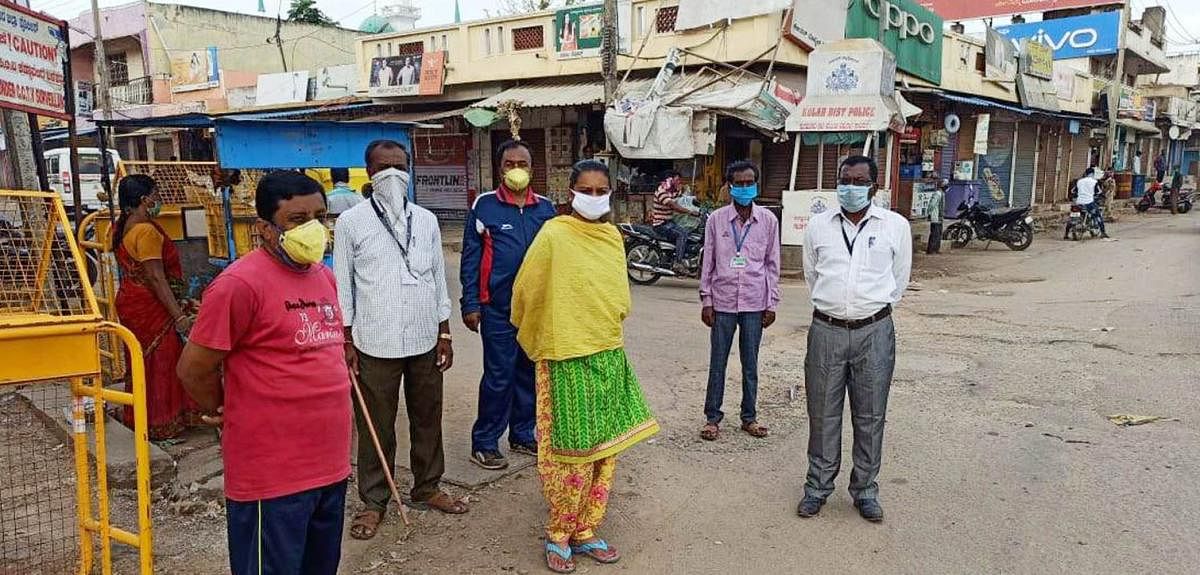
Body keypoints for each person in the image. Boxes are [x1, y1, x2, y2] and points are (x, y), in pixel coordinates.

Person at [176, 171, 350, 575]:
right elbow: (193, 369)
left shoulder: (324, 277)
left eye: (320, 217)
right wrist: (223, 407)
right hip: (271, 475)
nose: (313, 228)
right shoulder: (238, 285)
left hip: (330, 466)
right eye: (296, 219)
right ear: (265, 229)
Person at [510, 160, 659, 573]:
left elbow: (617, 295)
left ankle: (587, 529)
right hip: (564, 354)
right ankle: (559, 530)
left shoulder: (611, 236)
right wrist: (545, 332)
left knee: (603, 449)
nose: (594, 198)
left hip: (607, 350)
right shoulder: (554, 234)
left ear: (610, 193)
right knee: (568, 451)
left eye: (600, 191)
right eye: (586, 190)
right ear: (570, 192)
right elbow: (526, 291)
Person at [335, 139, 468, 541]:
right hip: (374, 339)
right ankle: (374, 500)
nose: (392, 174)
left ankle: (427, 486)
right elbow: (343, 285)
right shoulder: (351, 222)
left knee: (428, 415)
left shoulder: (425, 220)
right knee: (377, 423)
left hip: (425, 334)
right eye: (383, 167)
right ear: (369, 173)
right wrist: (346, 339)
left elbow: (436, 279)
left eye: (399, 166)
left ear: (409, 171)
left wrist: (445, 330)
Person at [798, 155, 911, 523]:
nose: (850, 187)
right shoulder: (818, 226)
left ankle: (865, 490)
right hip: (826, 330)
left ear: (873, 187)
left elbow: (899, 280)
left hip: (874, 331)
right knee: (822, 413)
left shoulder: (895, 226)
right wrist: (837, 308)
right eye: (844, 179)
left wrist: (867, 310)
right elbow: (812, 274)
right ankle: (817, 488)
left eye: (859, 180)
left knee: (870, 415)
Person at [461, 139, 557, 471]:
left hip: (536, 311)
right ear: (500, 168)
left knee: (528, 374)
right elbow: (471, 259)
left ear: (532, 169)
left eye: (523, 164)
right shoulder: (484, 206)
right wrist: (470, 302)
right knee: (498, 377)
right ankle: (485, 442)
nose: (516, 170)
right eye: (509, 164)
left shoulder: (546, 209)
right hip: (497, 310)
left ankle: (522, 433)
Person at [697, 160, 779, 442]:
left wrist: (772, 303)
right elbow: (708, 262)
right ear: (729, 186)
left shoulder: (768, 220)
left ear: (756, 183)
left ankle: (749, 417)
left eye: (749, 182)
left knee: (750, 363)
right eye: (739, 183)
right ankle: (712, 418)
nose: (745, 187)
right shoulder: (716, 220)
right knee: (717, 361)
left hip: (755, 303)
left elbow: (772, 265)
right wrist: (706, 300)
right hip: (722, 302)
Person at [112, 174, 198, 440]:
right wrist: (179, 315)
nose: (158, 199)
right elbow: (156, 277)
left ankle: (145, 415)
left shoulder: (122, 227)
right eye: (155, 194)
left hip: (132, 301)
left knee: (142, 361)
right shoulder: (146, 231)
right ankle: (161, 420)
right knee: (163, 360)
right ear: (143, 200)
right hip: (151, 306)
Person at [651, 170, 700, 273]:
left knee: (689, 229)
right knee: (682, 233)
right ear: (670, 179)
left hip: (669, 222)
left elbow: (682, 200)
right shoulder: (662, 191)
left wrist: (696, 203)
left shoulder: (671, 191)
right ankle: (678, 263)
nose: (679, 182)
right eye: (677, 180)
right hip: (661, 224)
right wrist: (690, 212)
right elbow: (674, 206)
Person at [1072, 167, 1109, 238]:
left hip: (1079, 202)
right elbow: (1099, 192)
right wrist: (1101, 196)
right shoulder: (1094, 182)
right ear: (1093, 174)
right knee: (1098, 216)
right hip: (1089, 203)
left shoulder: (1079, 181)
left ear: (1086, 173)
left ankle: (1067, 233)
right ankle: (1103, 232)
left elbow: (1073, 191)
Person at [926, 179, 946, 255]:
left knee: (938, 234)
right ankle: (931, 250)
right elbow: (932, 204)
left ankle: (936, 249)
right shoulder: (937, 194)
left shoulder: (942, 194)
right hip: (936, 217)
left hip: (939, 217)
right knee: (934, 233)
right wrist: (930, 213)